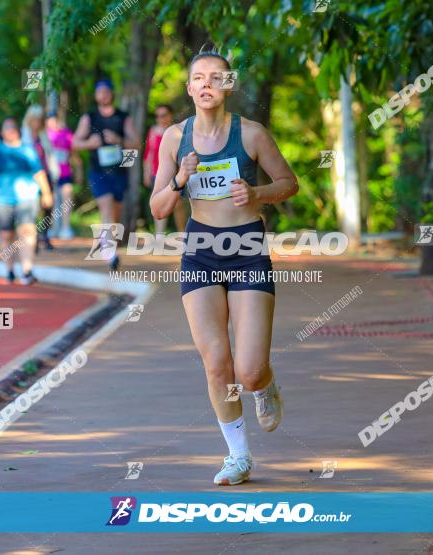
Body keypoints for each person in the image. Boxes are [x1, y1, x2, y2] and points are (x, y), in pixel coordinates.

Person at [149, 48, 298, 485]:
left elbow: (289, 183)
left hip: (247, 247)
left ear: (228, 84)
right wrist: (179, 178)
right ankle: (238, 456)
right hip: (200, 250)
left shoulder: (251, 134)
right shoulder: (175, 139)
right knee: (217, 362)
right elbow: (158, 208)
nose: (207, 84)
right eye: (199, 77)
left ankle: (265, 386)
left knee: (249, 369)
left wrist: (257, 195)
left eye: (217, 77)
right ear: (190, 87)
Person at [72, 79, 139, 269]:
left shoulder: (122, 117)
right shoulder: (89, 117)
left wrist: (119, 140)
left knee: (114, 215)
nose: (103, 95)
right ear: (96, 95)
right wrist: (88, 144)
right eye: (100, 92)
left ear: (112, 94)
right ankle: (111, 254)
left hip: (119, 172)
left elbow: (135, 143)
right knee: (107, 208)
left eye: (107, 92)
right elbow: (75, 143)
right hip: (98, 172)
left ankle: (106, 246)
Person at [0, 118, 53, 285]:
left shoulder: (28, 150)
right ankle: (9, 270)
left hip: (27, 197)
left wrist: (46, 193)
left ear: (18, 131)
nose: (10, 131)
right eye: (6, 129)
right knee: (6, 235)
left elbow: (39, 172)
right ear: (1, 132)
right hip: (3, 198)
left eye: (13, 128)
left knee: (27, 232)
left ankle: (27, 270)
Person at [144, 104, 187, 234]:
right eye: (157, 116)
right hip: (157, 174)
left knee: (178, 206)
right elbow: (149, 153)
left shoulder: (178, 131)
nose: (160, 119)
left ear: (170, 115)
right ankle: (159, 237)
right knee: (159, 202)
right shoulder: (153, 131)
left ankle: (181, 235)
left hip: (177, 173)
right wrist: (146, 173)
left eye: (163, 115)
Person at [22, 105, 56, 251]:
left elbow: (50, 155)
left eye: (39, 119)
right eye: (34, 118)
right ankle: (33, 238)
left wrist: (55, 172)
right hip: (30, 177)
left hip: (46, 174)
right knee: (33, 207)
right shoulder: (23, 136)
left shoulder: (44, 136)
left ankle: (45, 235)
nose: (37, 121)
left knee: (48, 207)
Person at [46, 112, 78, 240]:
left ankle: (66, 227)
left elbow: (73, 152)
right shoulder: (44, 135)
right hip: (49, 174)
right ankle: (54, 227)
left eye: (54, 120)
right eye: (50, 121)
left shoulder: (66, 133)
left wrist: (77, 168)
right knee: (52, 200)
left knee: (66, 198)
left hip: (65, 172)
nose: (52, 123)